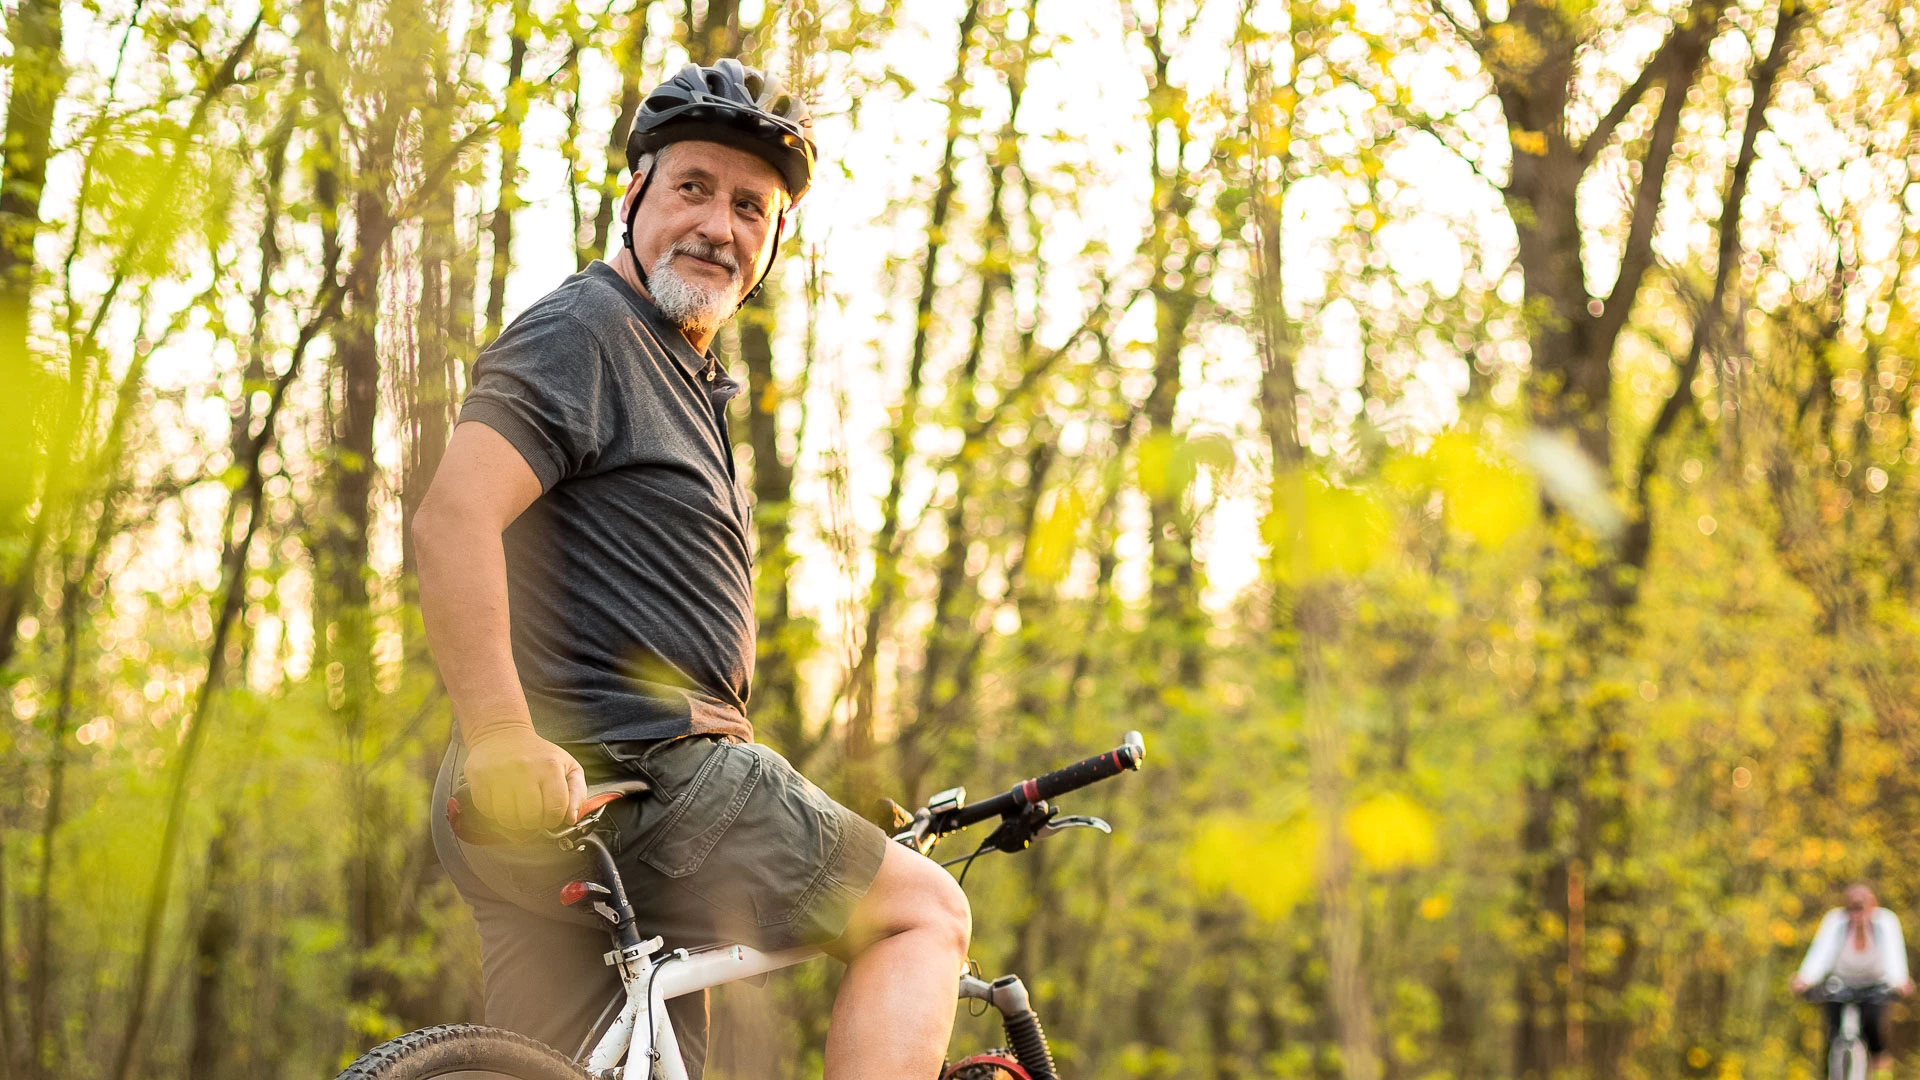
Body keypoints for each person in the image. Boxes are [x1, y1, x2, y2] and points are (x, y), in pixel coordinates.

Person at [412, 59, 971, 1080]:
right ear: (634, 196)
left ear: (775, 240)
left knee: (570, 1066)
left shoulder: (679, 368)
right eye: (693, 189)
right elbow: (452, 521)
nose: (720, 224)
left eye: (749, 206)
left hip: (569, 799)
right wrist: (499, 734)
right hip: (643, 769)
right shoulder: (587, 331)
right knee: (923, 916)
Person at [1791, 883, 1915, 1074]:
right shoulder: (1836, 922)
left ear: (1873, 907)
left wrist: (1900, 982)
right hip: (1840, 985)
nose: (1857, 915)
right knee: (1832, 1036)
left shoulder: (1885, 923)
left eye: (1862, 908)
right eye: (1852, 909)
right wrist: (1805, 979)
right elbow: (1821, 953)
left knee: (1874, 1031)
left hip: (1876, 986)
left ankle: (1881, 1074)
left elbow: (1894, 955)